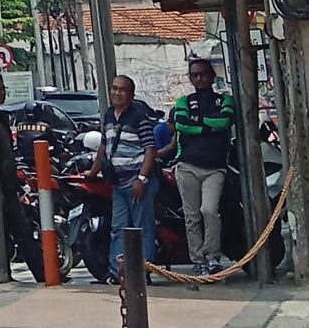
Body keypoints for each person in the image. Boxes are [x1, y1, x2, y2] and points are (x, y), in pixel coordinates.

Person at [87, 74, 158, 281]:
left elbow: (150, 150)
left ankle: (142, 272)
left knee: (142, 228)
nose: (117, 93)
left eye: (122, 90)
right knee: (118, 228)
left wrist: (142, 179)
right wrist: (92, 172)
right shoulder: (109, 115)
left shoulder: (139, 117)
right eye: (114, 88)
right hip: (117, 184)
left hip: (137, 182)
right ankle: (117, 272)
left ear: (131, 94)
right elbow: (104, 146)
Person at [171, 53, 235, 274]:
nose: (199, 79)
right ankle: (198, 261)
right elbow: (181, 124)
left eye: (203, 74)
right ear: (190, 78)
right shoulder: (184, 101)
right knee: (192, 216)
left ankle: (213, 257)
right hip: (187, 166)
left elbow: (224, 121)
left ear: (212, 76)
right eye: (195, 75)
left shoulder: (224, 99)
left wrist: (198, 123)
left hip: (215, 167)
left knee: (209, 210)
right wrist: (208, 127)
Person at [0, 70, 41, 282]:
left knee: (23, 232)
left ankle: (42, 273)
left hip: (8, 186)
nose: (3, 93)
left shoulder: (1, 117)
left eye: (4, 89)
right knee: (7, 232)